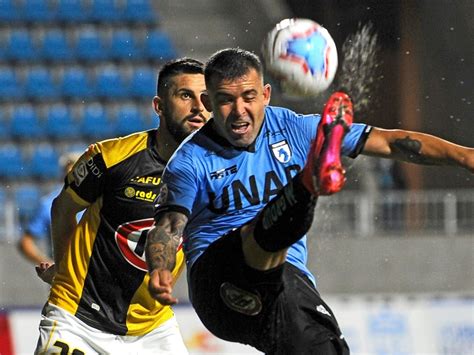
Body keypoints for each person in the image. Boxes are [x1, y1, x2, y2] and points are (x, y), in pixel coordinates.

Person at [146, 48, 474, 354]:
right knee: (257, 235)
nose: (239, 111)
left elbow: (390, 143)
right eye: (226, 101)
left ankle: (310, 182)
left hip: (284, 286)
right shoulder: (189, 160)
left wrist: (466, 156)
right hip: (218, 285)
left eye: (249, 97)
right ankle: (309, 183)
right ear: (208, 101)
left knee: (326, 347)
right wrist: (159, 267)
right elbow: (170, 223)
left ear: (266, 95)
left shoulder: (294, 129)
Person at [34, 58, 210, 355]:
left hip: (152, 329)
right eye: (185, 95)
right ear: (159, 106)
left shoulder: (215, 173)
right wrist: (62, 270)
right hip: (77, 320)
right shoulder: (111, 157)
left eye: (205, 98)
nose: (199, 107)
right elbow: (62, 209)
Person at [18, 152, 82, 265]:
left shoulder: (100, 201)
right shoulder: (49, 204)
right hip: (64, 276)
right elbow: (26, 242)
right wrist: (48, 263)